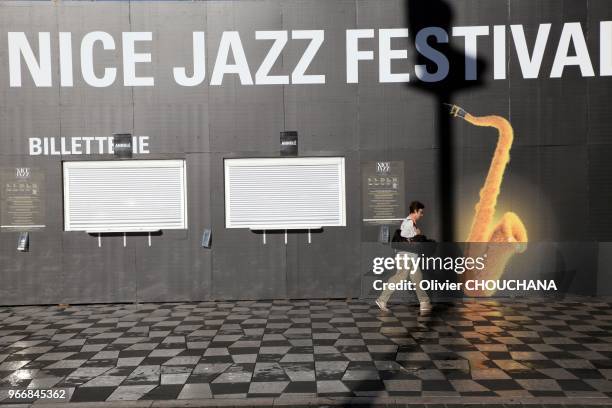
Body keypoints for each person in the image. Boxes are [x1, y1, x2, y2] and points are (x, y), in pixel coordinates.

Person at [375, 201, 432, 314]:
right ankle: (381, 300)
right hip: (406, 256)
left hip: (411, 256)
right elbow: (404, 234)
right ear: (415, 211)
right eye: (421, 212)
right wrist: (416, 234)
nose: (422, 214)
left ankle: (424, 303)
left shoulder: (411, 222)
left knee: (417, 278)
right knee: (400, 277)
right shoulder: (409, 222)